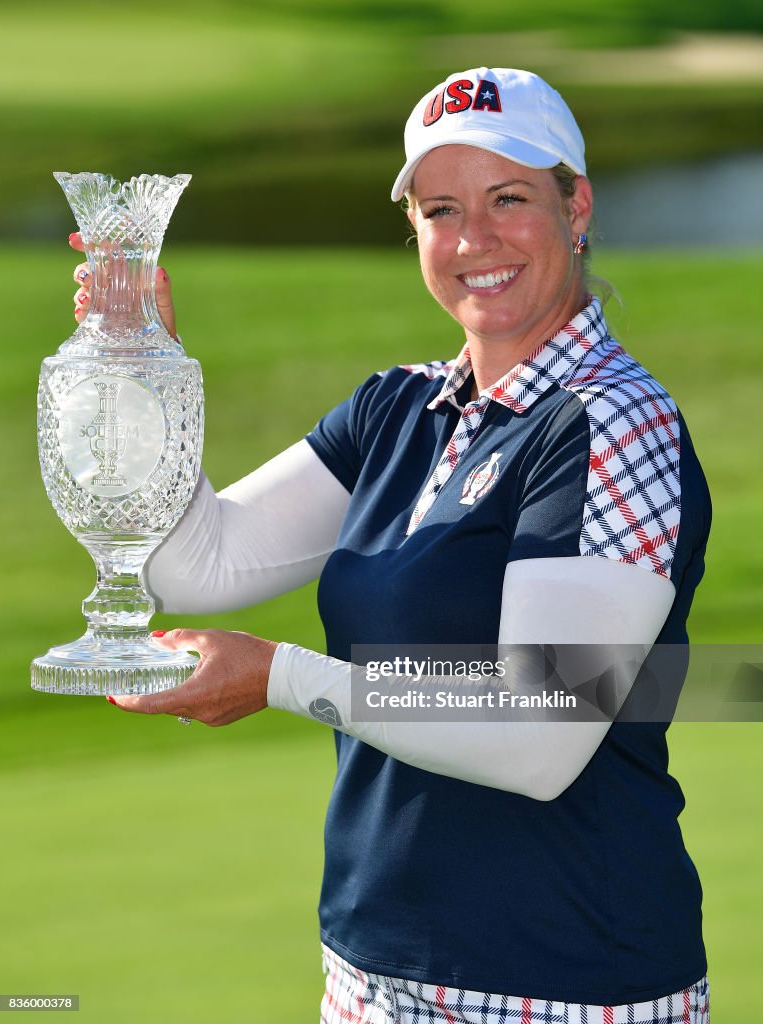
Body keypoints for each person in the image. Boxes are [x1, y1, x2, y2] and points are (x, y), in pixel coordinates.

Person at [70, 68, 712, 1023]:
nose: (472, 241)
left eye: (508, 199)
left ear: (576, 204)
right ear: (413, 230)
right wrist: (144, 367)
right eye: (439, 209)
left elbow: (543, 728)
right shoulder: (397, 409)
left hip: (566, 983)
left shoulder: (611, 421)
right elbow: (194, 566)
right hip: (373, 975)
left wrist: (285, 677)